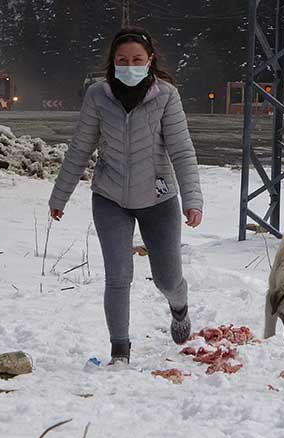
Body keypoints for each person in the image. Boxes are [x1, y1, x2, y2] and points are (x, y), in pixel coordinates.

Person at [49, 27, 203, 365]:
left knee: (168, 278)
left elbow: (182, 151)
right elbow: (79, 148)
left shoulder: (166, 96)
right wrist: (59, 197)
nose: (129, 65)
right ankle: (120, 349)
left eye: (136, 59)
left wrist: (193, 199)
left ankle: (179, 308)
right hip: (110, 198)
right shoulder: (97, 96)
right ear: (112, 63)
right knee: (118, 275)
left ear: (149, 61)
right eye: (122, 60)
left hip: (158, 198)